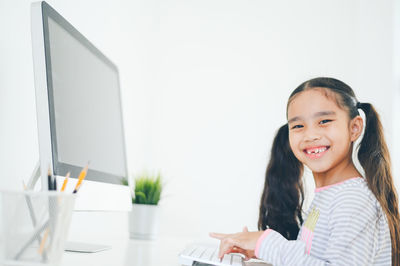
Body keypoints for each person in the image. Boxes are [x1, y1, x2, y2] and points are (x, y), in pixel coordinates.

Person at [210, 77, 400, 265]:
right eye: (298, 126)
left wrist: (265, 243)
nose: (310, 135)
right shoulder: (330, 196)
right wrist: (261, 252)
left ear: (354, 128)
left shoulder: (352, 201)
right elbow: (315, 259)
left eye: (324, 121)